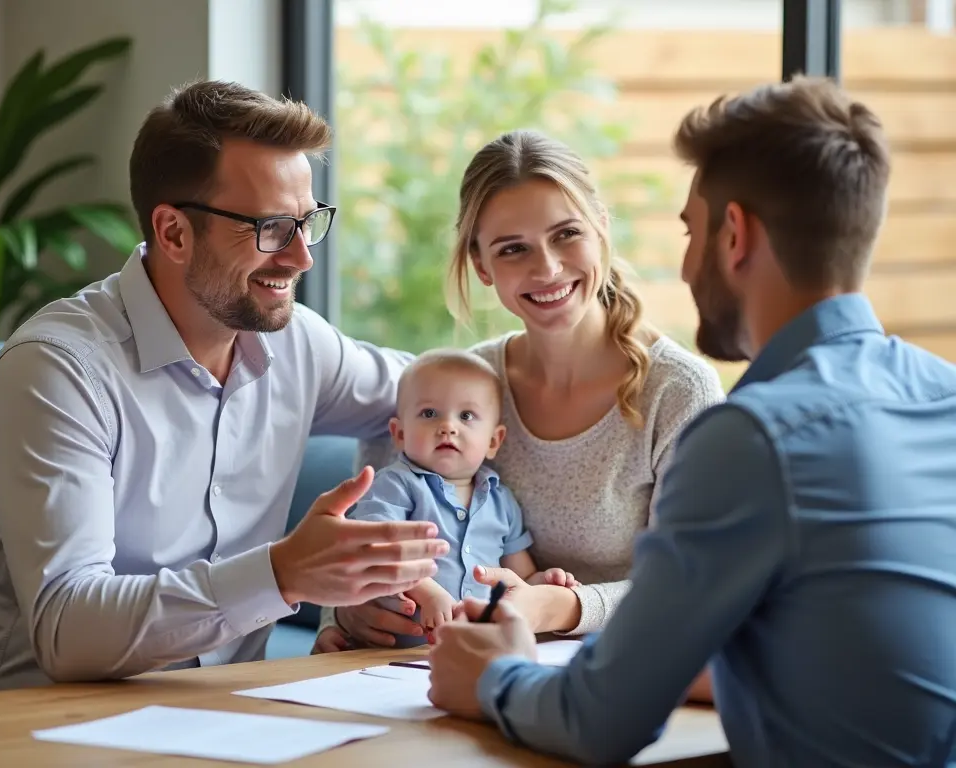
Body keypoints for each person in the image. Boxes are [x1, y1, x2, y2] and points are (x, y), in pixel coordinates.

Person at [426, 75, 956, 767]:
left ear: (733, 235)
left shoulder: (750, 439)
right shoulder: (942, 394)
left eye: (690, 229)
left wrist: (489, 678)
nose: (682, 262)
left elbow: (600, 722)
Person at [0, 81, 449, 696]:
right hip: (26, 730)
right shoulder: (57, 370)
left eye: (308, 223)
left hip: (228, 720)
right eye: (271, 228)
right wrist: (285, 574)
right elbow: (67, 628)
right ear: (173, 232)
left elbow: (439, 400)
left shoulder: (298, 343)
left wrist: (366, 581)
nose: (301, 258)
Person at [314, 129, 725, 668]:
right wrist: (344, 615)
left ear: (602, 227)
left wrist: (557, 606)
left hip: (618, 676)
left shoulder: (677, 392)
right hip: (443, 673)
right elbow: (360, 541)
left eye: (567, 234)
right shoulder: (455, 389)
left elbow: (691, 586)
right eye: (513, 249)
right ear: (482, 266)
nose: (547, 268)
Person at [341, 349, 578, 647]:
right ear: (399, 434)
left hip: (475, 650)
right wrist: (426, 591)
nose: (448, 426)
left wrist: (542, 583)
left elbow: (520, 575)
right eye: (429, 413)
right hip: (394, 651)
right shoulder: (395, 485)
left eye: (466, 416)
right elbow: (373, 550)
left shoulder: (501, 501)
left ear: (493, 441)